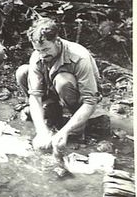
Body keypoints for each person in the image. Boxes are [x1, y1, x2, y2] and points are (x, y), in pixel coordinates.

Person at [15, 17, 100, 152]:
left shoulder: (79, 56)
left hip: (77, 96)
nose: (42, 55)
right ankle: (51, 109)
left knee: (63, 80)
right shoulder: (37, 56)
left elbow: (90, 102)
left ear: (57, 41)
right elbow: (35, 96)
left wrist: (64, 132)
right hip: (52, 91)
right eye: (38, 50)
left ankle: (76, 123)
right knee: (22, 72)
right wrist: (41, 131)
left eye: (46, 49)